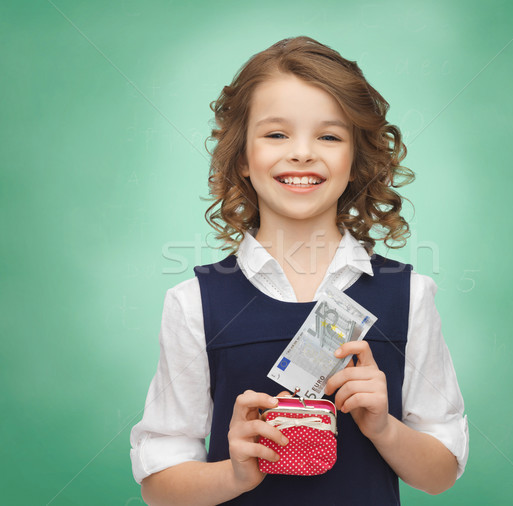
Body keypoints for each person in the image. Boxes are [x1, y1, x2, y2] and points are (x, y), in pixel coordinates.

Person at [130, 36, 469, 505]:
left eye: (329, 136)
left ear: (356, 161)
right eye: (276, 134)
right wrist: (235, 475)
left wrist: (383, 427)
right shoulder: (193, 304)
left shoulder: (408, 295)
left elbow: (440, 475)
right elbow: (159, 487)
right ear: (243, 157)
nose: (303, 153)